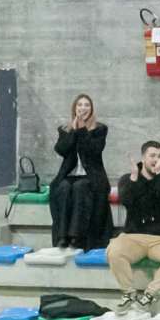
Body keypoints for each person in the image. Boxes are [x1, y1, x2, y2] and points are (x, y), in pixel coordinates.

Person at [109, 141, 160, 313]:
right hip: (133, 237)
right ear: (143, 158)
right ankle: (128, 293)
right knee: (114, 251)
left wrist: (159, 176)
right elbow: (125, 201)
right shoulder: (128, 178)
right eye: (152, 156)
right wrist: (134, 178)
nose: (156, 160)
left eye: (159, 156)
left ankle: (150, 295)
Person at [48, 93, 112, 251]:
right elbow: (61, 150)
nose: (83, 108)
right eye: (80, 105)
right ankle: (62, 236)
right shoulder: (65, 129)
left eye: (87, 105)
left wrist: (83, 130)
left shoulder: (100, 129)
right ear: (74, 109)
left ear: (91, 109)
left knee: (80, 187)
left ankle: (76, 236)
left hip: (92, 176)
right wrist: (74, 131)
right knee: (62, 187)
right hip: (70, 175)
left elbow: (94, 150)